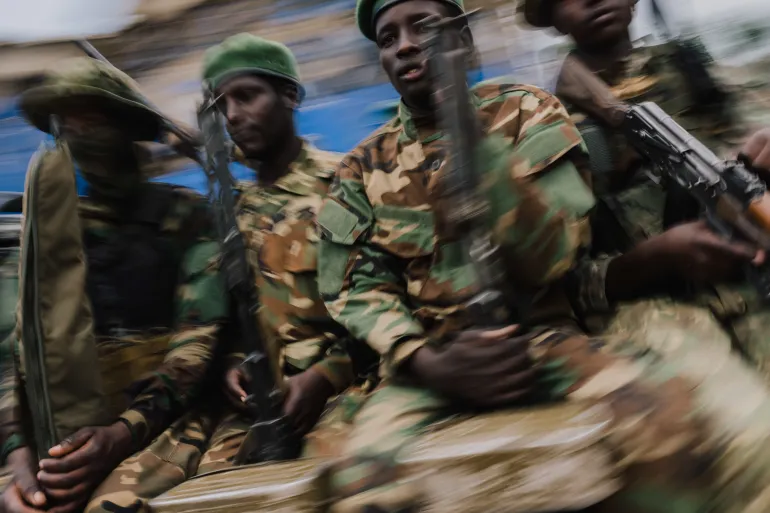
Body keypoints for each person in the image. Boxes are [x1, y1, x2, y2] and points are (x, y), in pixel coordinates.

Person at [316, 0, 770, 511]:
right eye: (387, 38)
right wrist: (423, 359)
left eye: (421, 27)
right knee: (360, 484)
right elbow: (356, 287)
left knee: (664, 423)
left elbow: (554, 256)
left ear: (462, 40)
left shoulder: (527, 112)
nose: (404, 46)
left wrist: (474, 141)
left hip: (541, 340)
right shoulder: (360, 168)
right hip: (427, 363)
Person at [0, 58, 229, 513]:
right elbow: (11, 347)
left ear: (127, 129)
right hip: (63, 427)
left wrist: (124, 431)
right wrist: (16, 454)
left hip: (170, 418)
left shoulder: (187, 216)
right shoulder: (42, 231)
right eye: (68, 123)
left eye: (94, 120)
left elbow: (198, 342)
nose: (80, 133)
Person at [519, 0, 770, 380]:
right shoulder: (543, 124)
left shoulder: (690, 67)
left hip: (746, 270)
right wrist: (651, 261)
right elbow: (561, 287)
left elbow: (744, 143)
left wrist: (750, 168)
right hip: (652, 313)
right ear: (552, 18)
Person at [197, 33, 364, 463]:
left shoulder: (347, 181)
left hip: (354, 386)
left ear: (289, 95)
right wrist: (237, 366)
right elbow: (240, 315)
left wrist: (326, 376)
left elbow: (394, 294)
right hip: (266, 408)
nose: (233, 116)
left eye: (246, 96)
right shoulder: (235, 212)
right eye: (221, 105)